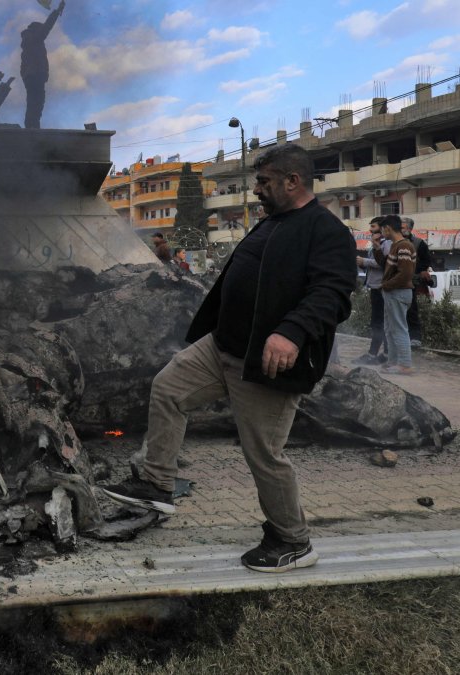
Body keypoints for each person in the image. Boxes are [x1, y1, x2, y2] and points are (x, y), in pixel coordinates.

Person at [100, 144, 355, 573]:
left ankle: (292, 541)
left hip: (267, 364)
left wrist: (290, 333)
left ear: (293, 181)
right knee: (168, 389)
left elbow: (332, 294)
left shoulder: (325, 230)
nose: (257, 189)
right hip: (222, 347)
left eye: (264, 181)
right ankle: (156, 483)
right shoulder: (273, 222)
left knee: (264, 455)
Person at [376, 215, 416, 375]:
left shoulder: (404, 246)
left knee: (398, 328)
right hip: (393, 292)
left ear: (388, 228)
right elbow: (385, 266)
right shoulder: (395, 245)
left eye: (382, 230)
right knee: (390, 328)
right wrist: (377, 248)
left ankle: (405, 364)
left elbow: (405, 274)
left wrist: (385, 285)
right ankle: (393, 362)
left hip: (398, 292)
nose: (381, 233)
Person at [20, 0, 65, 129]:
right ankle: (33, 130)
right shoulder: (35, 38)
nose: (43, 31)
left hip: (32, 77)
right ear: (36, 29)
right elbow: (47, 26)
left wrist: (26, 77)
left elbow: (22, 69)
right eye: (40, 29)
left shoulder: (27, 44)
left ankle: (32, 128)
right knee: (37, 104)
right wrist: (56, 11)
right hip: (35, 76)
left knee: (33, 104)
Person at [353, 217, 391, 365]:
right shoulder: (376, 245)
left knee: (380, 323)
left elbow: (384, 263)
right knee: (377, 322)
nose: (371, 230)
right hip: (375, 287)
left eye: (373, 227)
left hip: (382, 287)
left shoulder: (387, 244)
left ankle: (378, 354)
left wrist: (365, 262)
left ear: (381, 229)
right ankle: (378, 353)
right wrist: (362, 264)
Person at [400, 217, 431, 348]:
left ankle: (415, 338)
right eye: (400, 227)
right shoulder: (392, 242)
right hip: (395, 281)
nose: (401, 229)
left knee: (411, 310)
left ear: (410, 228)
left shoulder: (419, 243)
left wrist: (418, 271)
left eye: (403, 227)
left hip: (411, 281)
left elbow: (426, 260)